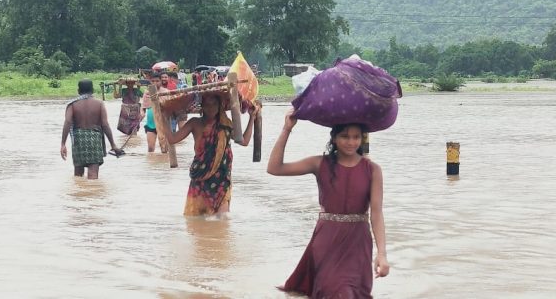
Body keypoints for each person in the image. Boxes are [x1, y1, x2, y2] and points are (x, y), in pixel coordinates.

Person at [266, 110, 389, 298]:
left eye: (356, 137)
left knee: (352, 292)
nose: (351, 142)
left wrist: (382, 254)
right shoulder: (319, 164)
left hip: (358, 243)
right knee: (333, 290)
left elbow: (377, 213)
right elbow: (275, 168)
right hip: (327, 240)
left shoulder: (373, 170)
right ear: (334, 138)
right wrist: (287, 129)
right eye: (345, 136)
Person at [163, 90, 260, 216]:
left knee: (222, 218)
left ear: (219, 106)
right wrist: (162, 117)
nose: (210, 108)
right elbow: (172, 139)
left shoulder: (226, 124)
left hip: (222, 178)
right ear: (202, 106)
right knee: (197, 218)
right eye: (207, 104)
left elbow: (244, 141)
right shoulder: (194, 123)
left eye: (214, 104)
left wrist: (252, 118)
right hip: (200, 177)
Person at [60, 79, 123, 179]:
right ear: (92, 90)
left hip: (78, 139)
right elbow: (105, 125)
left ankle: (79, 192)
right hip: (95, 139)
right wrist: (113, 145)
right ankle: (93, 193)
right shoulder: (99, 104)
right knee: (93, 174)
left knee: (78, 175)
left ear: (78, 91)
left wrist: (63, 144)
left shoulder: (72, 105)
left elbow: (67, 123)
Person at [141, 74, 166, 153]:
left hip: (164, 124)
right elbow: (143, 107)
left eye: (157, 81)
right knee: (150, 149)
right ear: (150, 82)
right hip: (151, 124)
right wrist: (142, 113)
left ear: (161, 82)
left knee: (164, 149)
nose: (155, 83)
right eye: (153, 81)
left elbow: (169, 107)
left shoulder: (166, 92)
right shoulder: (147, 93)